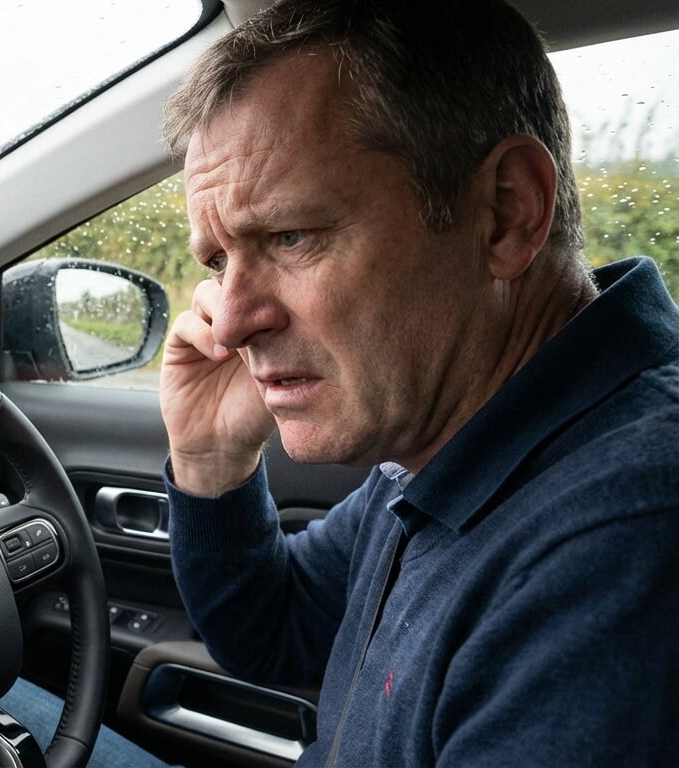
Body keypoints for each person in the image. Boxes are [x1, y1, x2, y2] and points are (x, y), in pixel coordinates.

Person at [157, 0, 679, 765]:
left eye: (291, 235)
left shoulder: (623, 534)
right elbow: (279, 630)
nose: (230, 322)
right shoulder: (458, 432)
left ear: (506, 214)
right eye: (217, 262)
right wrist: (208, 463)